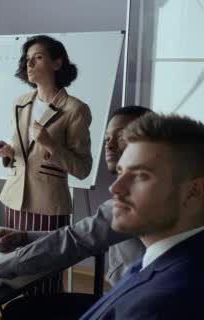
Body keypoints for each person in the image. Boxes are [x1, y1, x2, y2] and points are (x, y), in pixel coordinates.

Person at [0, 106, 150, 320]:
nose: (109, 145)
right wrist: (26, 237)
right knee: (23, 309)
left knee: (21, 312)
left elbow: (76, 240)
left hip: (134, 308)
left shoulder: (139, 197)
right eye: (106, 138)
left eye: (121, 136)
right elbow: (83, 234)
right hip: (127, 299)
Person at [0, 34, 92, 294]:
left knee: (44, 275)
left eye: (37, 57)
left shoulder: (75, 109)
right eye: (27, 59)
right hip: (15, 199)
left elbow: (83, 169)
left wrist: (50, 144)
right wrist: (8, 152)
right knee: (12, 270)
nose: (30, 64)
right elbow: (22, 151)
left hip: (49, 205)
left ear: (57, 63)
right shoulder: (19, 103)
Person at [79, 113, 204, 319]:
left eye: (141, 176)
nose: (115, 187)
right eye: (121, 172)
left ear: (194, 192)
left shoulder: (162, 305)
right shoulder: (160, 256)